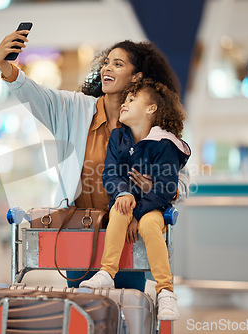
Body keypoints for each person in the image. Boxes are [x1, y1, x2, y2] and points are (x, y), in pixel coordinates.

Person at [0, 29, 187, 291]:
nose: (107, 68)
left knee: (127, 312)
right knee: (82, 314)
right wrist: (6, 67)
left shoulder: (153, 125)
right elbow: (37, 95)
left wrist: (161, 189)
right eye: (106, 62)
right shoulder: (75, 110)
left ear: (137, 76)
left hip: (130, 232)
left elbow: (180, 181)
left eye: (118, 64)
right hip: (81, 231)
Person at [79, 79, 190, 320]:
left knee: (150, 225)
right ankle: (107, 272)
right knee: (119, 209)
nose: (124, 103)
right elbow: (110, 172)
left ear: (151, 109)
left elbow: (166, 187)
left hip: (153, 206)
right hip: (127, 203)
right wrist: (124, 192)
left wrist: (137, 215)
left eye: (132, 99)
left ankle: (166, 291)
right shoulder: (119, 137)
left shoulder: (165, 145)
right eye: (125, 99)